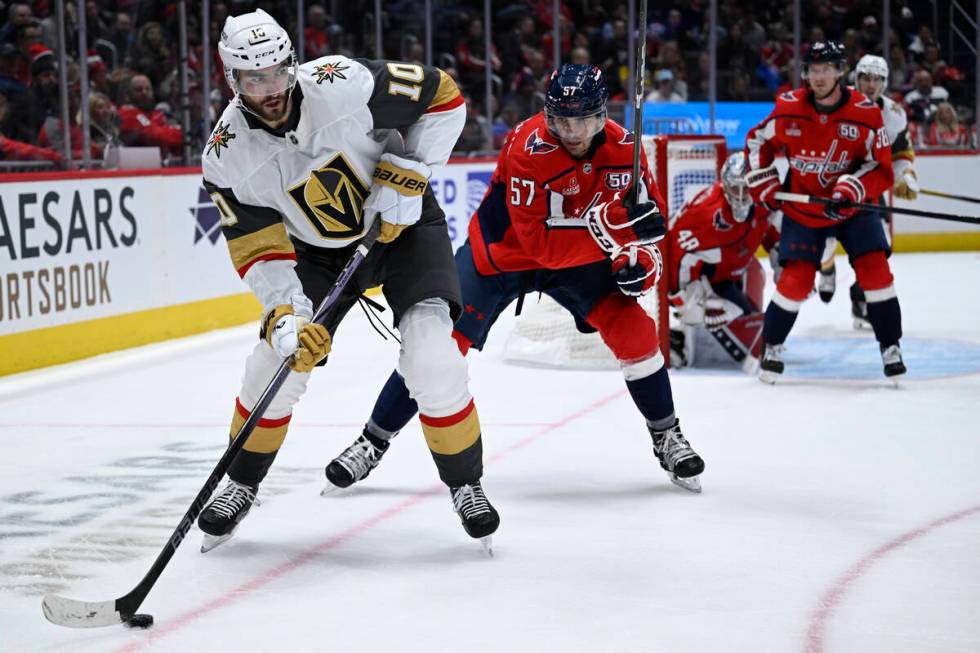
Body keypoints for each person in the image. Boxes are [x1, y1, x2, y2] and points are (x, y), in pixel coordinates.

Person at [323, 64, 706, 495]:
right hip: (502, 257)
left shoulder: (627, 152)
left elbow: (649, 237)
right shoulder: (528, 145)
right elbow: (540, 247)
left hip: (582, 261)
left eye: (583, 119)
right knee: (437, 350)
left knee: (637, 333)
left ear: (602, 115)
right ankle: (372, 441)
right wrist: (614, 229)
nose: (573, 130)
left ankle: (666, 433)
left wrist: (637, 265)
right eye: (562, 119)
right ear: (547, 115)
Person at [198, 9, 498, 552]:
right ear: (231, 79)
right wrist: (286, 317)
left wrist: (411, 173)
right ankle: (241, 483)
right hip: (318, 257)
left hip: (403, 222)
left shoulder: (341, 82)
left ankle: (466, 483)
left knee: (431, 352)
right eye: (254, 78)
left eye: (280, 72)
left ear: (294, 64)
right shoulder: (226, 158)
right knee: (275, 362)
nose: (272, 90)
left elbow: (444, 95)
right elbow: (261, 252)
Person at [745, 42, 904, 383]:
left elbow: (881, 166)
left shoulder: (865, 111)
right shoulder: (788, 107)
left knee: (876, 273)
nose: (818, 77)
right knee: (794, 281)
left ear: (840, 72)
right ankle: (771, 346)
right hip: (805, 208)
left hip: (854, 209)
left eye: (826, 69)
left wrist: (853, 187)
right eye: (813, 70)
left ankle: (890, 346)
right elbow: (758, 141)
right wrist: (764, 180)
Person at [816, 54, 919, 328]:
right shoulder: (834, 101)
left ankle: (860, 299)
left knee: (878, 246)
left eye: (877, 79)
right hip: (830, 183)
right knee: (823, 239)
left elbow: (901, 154)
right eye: (865, 78)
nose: (871, 84)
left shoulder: (893, 115)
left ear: (884, 82)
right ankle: (826, 268)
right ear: (855, 79)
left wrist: (905, 175)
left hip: (867, 186)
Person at [666, 153, 778, 368]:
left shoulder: (764, 200)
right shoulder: (705, 215)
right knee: (748, 338)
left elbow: (768, 227)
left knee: (753, 320)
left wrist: (781, 257)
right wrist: (683, 298)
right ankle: (679, 338)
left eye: (748, 189)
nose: (743, 196)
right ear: (725, 186)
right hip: (708, 278)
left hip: (738, 264)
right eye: (737, 189)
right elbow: (676, 252)